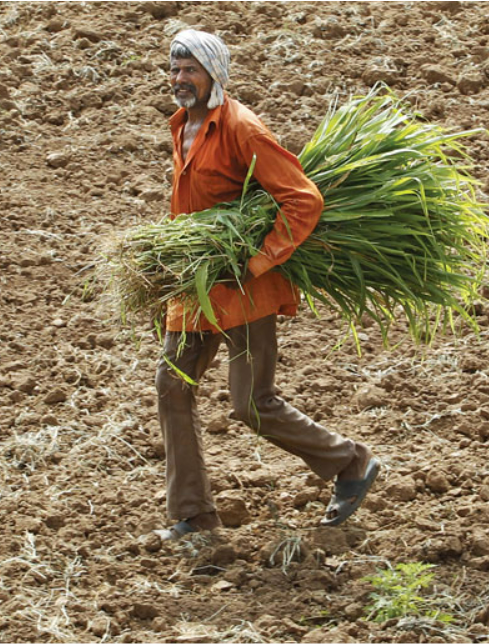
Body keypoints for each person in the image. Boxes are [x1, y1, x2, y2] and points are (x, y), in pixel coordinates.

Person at [154, 30, 380, 541]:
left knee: (251, 403)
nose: (180, 79)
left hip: (245, 288)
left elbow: (304, 199)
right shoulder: (181, 126)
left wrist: (258, 262)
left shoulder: (242, 128)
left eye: (190, 70)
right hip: (196, 284)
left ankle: (350, 462)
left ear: (214, 73)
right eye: (175, 69)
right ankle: (194, 513)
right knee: (172, 386)